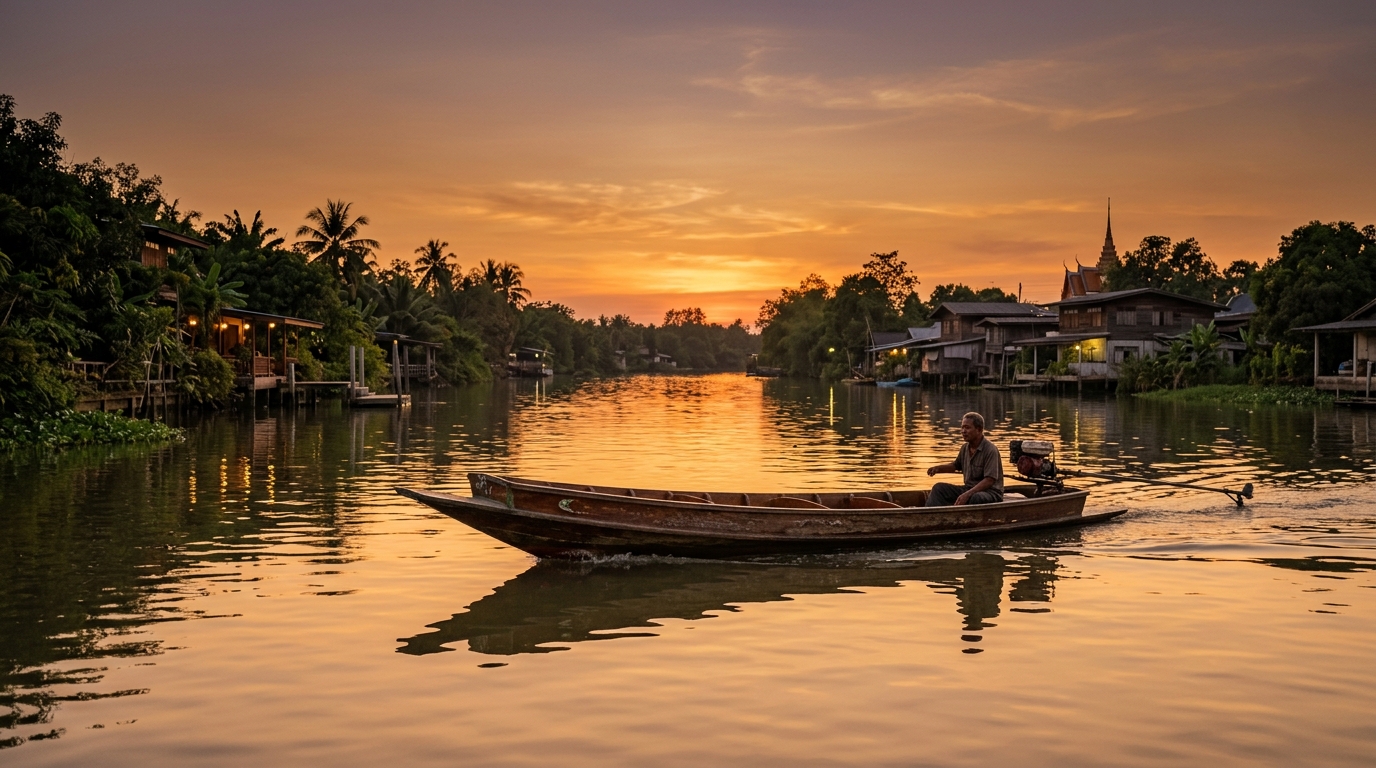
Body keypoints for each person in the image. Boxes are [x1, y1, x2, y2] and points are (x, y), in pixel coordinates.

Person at [925, 411, 1004, 506]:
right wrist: (938, 468)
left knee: (976, 498)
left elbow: (989, 480)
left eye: (967, 428)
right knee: (939, 488)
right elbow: (956, 465)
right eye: (962, 427)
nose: (963, 431)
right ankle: (932, 516)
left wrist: (967, 494)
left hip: (990, 493)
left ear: (979, 430)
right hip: (969, 489)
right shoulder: (965, 448)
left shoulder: (990, 450)